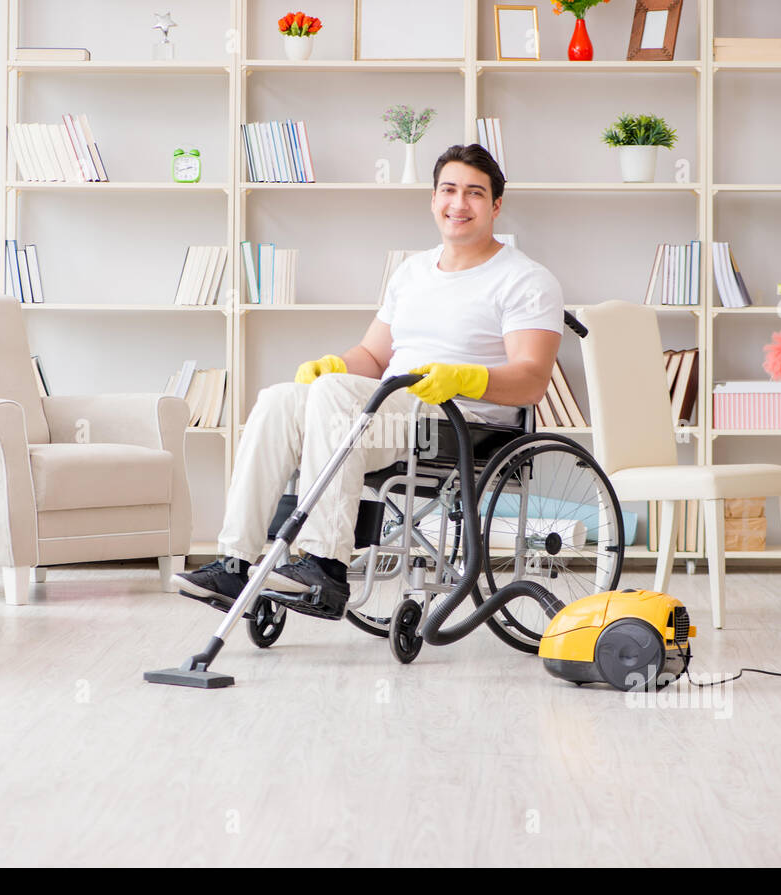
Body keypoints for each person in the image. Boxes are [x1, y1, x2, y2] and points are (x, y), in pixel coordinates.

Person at [173, 143, 565, 617]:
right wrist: (333, 366)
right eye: (448, 190)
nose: (458, 204)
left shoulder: (525, 279)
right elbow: (373, 355)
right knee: (280, 398)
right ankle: (235, 563)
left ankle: (324, 565)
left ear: (496, 206)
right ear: (433, 198)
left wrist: (464, 378)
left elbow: (531, 381)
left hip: (459, 422)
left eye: (475, 194)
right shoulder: (412, 271)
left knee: (336, 398)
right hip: (389, 410)